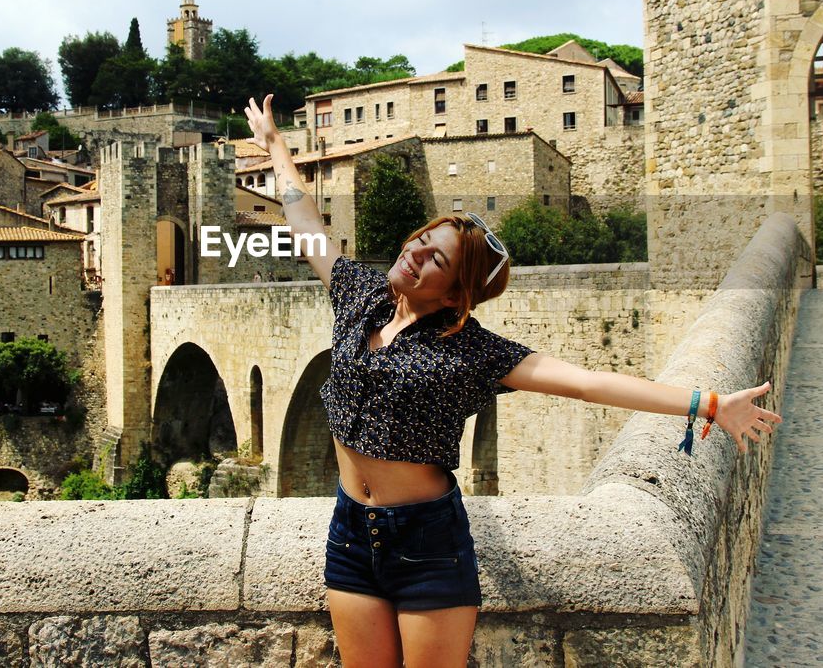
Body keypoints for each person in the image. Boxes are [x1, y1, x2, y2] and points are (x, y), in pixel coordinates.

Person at [244, 95, 781, 667]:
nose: (416, 255)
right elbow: (306, 225)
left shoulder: (472, 349)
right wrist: (277, 147)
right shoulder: (361, 298)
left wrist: (707, 403)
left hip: (428, 544)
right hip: (350, 530)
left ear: (455, 294)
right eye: (419, 242)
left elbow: (586, 384)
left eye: (436, 260)